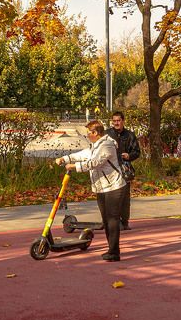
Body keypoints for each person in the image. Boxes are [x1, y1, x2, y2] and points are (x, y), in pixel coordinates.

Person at [56, 120, 127, 262]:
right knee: (106, 219)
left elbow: (95, 162)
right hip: (101, 187)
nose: (87, 135)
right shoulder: (96, 145)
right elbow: (84, 154)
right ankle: (112, 250)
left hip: (114, 186)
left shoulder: (107, 145)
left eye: (88, 133)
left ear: (95, 133)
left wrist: (74, 167)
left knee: (112, 219)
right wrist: (65, 158)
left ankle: (114, 252)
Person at [108, 111, 141, 230]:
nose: (116, 123)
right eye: (114, 121)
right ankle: (111, 221)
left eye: (118, 120)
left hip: (124, 169)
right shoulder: (107, 134)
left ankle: (125, 221)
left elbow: (137, 152)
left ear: (123, 121)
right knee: (111, 196)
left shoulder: (130, 135)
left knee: (125, 197)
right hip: (109, 170)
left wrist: (129, 156)